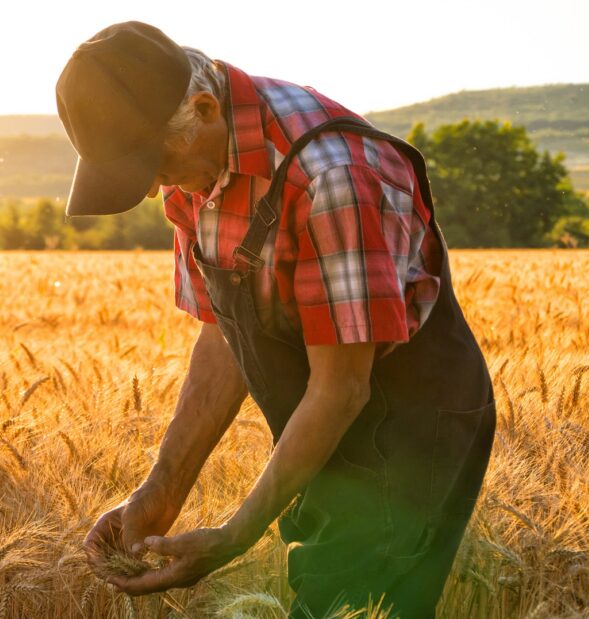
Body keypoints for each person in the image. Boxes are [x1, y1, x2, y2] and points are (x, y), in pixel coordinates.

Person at [55, 21, 497, 618]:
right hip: (319, 423)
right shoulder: (195, 165)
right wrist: (162, 491)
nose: (156, 186)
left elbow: (342, 387)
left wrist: (234, 538)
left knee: (337, 604)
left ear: (205, 108)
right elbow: (223, 337)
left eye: (155, 164)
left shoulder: (332, 177)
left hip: (407, 428)